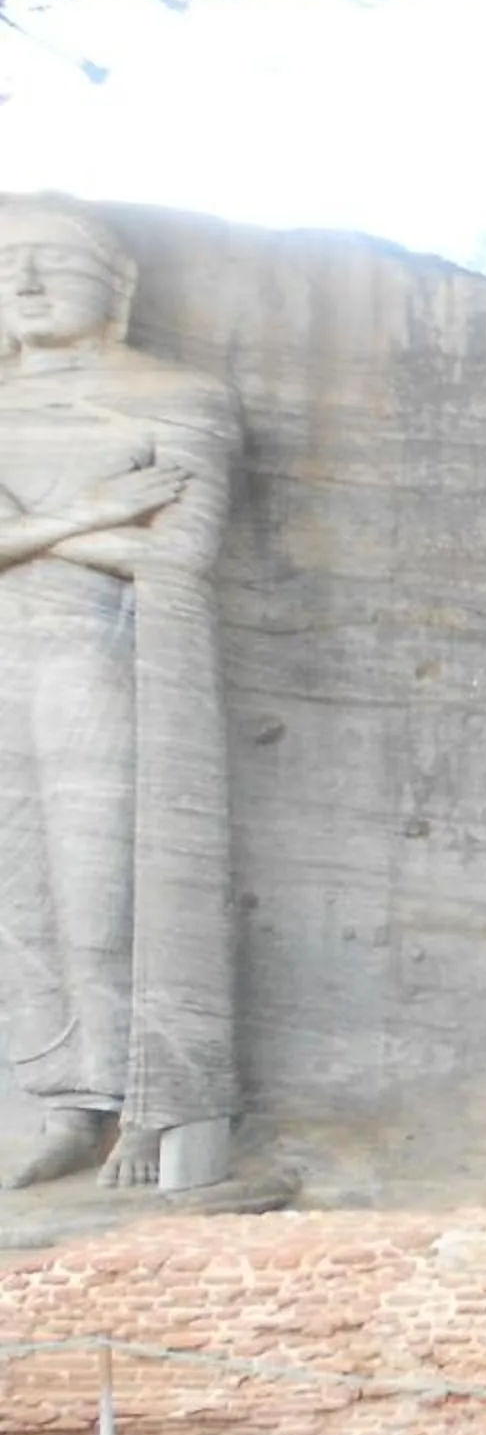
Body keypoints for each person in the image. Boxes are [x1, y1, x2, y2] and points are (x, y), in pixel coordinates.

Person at [0, 198, 242, 1193]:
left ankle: (146, 1095)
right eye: (6, 263)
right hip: (12, 661)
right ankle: (62, 1097)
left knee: (106, 885)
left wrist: (31, 530)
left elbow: (180, 555)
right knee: (19, 898)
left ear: (120, 286)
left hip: (105, 663)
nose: (21, 282)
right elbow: (132, 535)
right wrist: (95, 510)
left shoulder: (180, 397)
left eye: (49, 260)